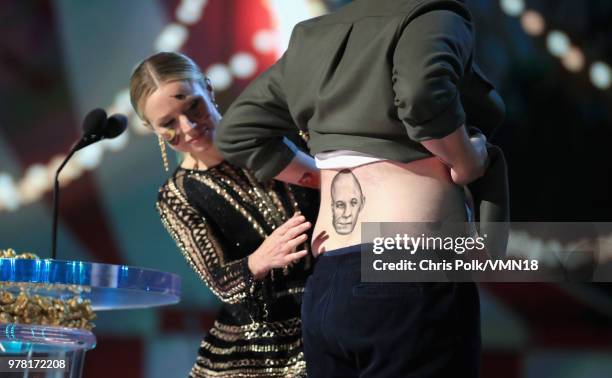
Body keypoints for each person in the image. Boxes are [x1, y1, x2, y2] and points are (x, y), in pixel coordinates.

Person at [215, 0, 508, 377]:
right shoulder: (432, 16)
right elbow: (422, 95)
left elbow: (236, 132)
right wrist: (467, 160)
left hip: (329, 282)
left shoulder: (312, 36)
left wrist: (326, 174)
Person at [129, 51, 319, 378]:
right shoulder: (176, 196)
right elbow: (219, 281)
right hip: (260, 344)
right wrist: (257, 261)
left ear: (208, 89)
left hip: (336, 300)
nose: (187, 128)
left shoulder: (274, 131)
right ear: (151, 129)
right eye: (168, 124)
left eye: (193, 106)